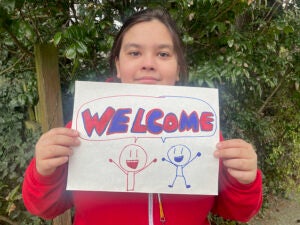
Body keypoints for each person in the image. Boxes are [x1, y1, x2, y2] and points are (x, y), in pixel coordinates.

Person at [22, 8, 262, 225]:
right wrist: (43, 171)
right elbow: (44, 207)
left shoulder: (203, 131)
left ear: (178, 68)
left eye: (164, 54)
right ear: (117, 65)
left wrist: (244, 180)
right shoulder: (83, 128)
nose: (148, 63)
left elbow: (239, 212)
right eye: (134, 53)